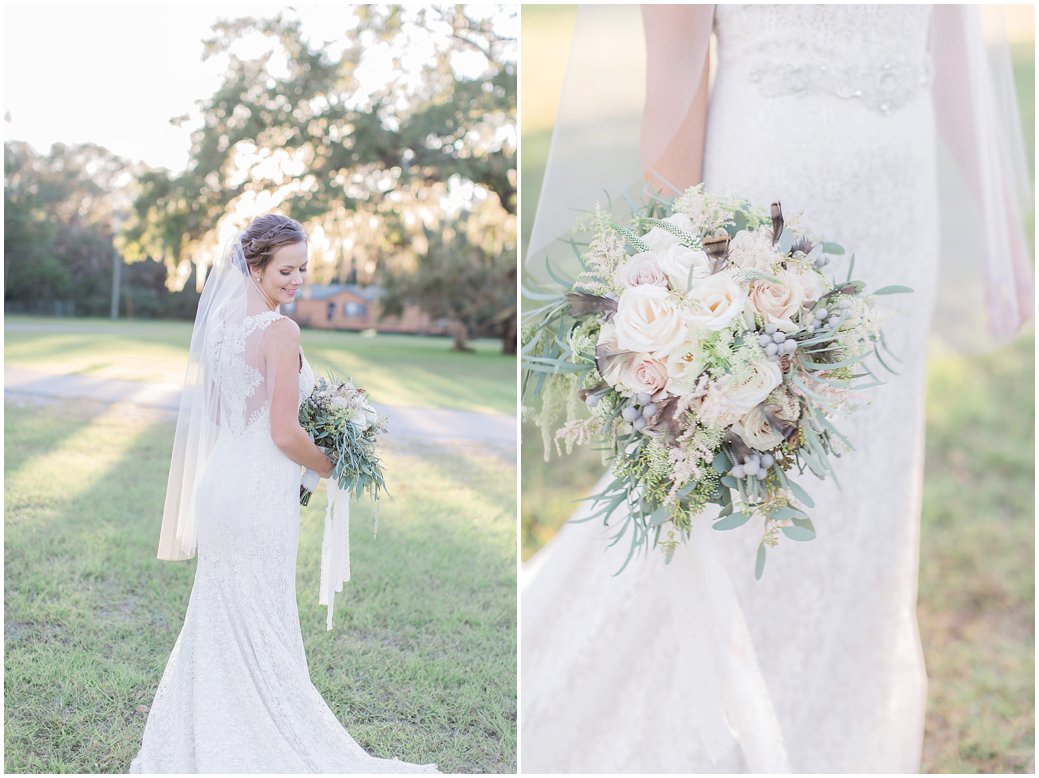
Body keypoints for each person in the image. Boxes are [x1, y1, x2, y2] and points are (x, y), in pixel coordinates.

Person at [521, 5, 1031, 773]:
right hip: (768, 218)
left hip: (899, 210)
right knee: (745, 482)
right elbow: (674, 82)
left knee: (868, 485)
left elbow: (951, 34)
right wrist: (680, 275)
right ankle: (725, 722)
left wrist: (1004, 224)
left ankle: (834, 720)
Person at [131, 214, 438, 773]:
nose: (299, 281)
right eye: (287, 270)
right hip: (256, 492)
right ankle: (257, 739)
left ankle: (207, 733)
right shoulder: (279, 332)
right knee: (262, 616)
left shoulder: (222, 324)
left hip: (221, 483)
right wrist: (333, 463)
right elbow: (282, 432)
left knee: (223, 612)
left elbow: (225, 415)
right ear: (255, 266)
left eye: (304, 269)